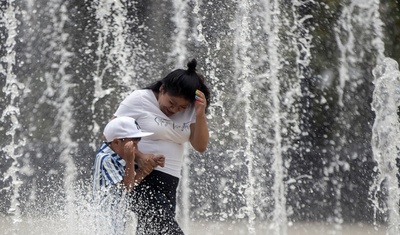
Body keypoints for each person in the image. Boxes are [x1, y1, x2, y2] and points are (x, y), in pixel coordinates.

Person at [113, 59, 210, 234]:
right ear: (162, 89)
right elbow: (111, 135)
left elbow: (200, 146)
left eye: (181, 107)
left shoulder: (192, 111)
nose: (174, 110)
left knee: (150, 231)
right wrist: (140, 156)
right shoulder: (140, 99)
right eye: (171, 103)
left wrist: (200, 114)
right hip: (141, 175)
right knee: (167, 230)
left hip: (170, 181)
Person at [92, 116, 165, 235]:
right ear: (116, 142)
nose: (135, 147)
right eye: (132, 143)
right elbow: (128, 186)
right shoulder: (105, 158)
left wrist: (146, 168)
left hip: (116, 218)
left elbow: (128, 185)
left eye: (138, 140)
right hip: (104, 220)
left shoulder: (118, 156)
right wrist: (131, 160)